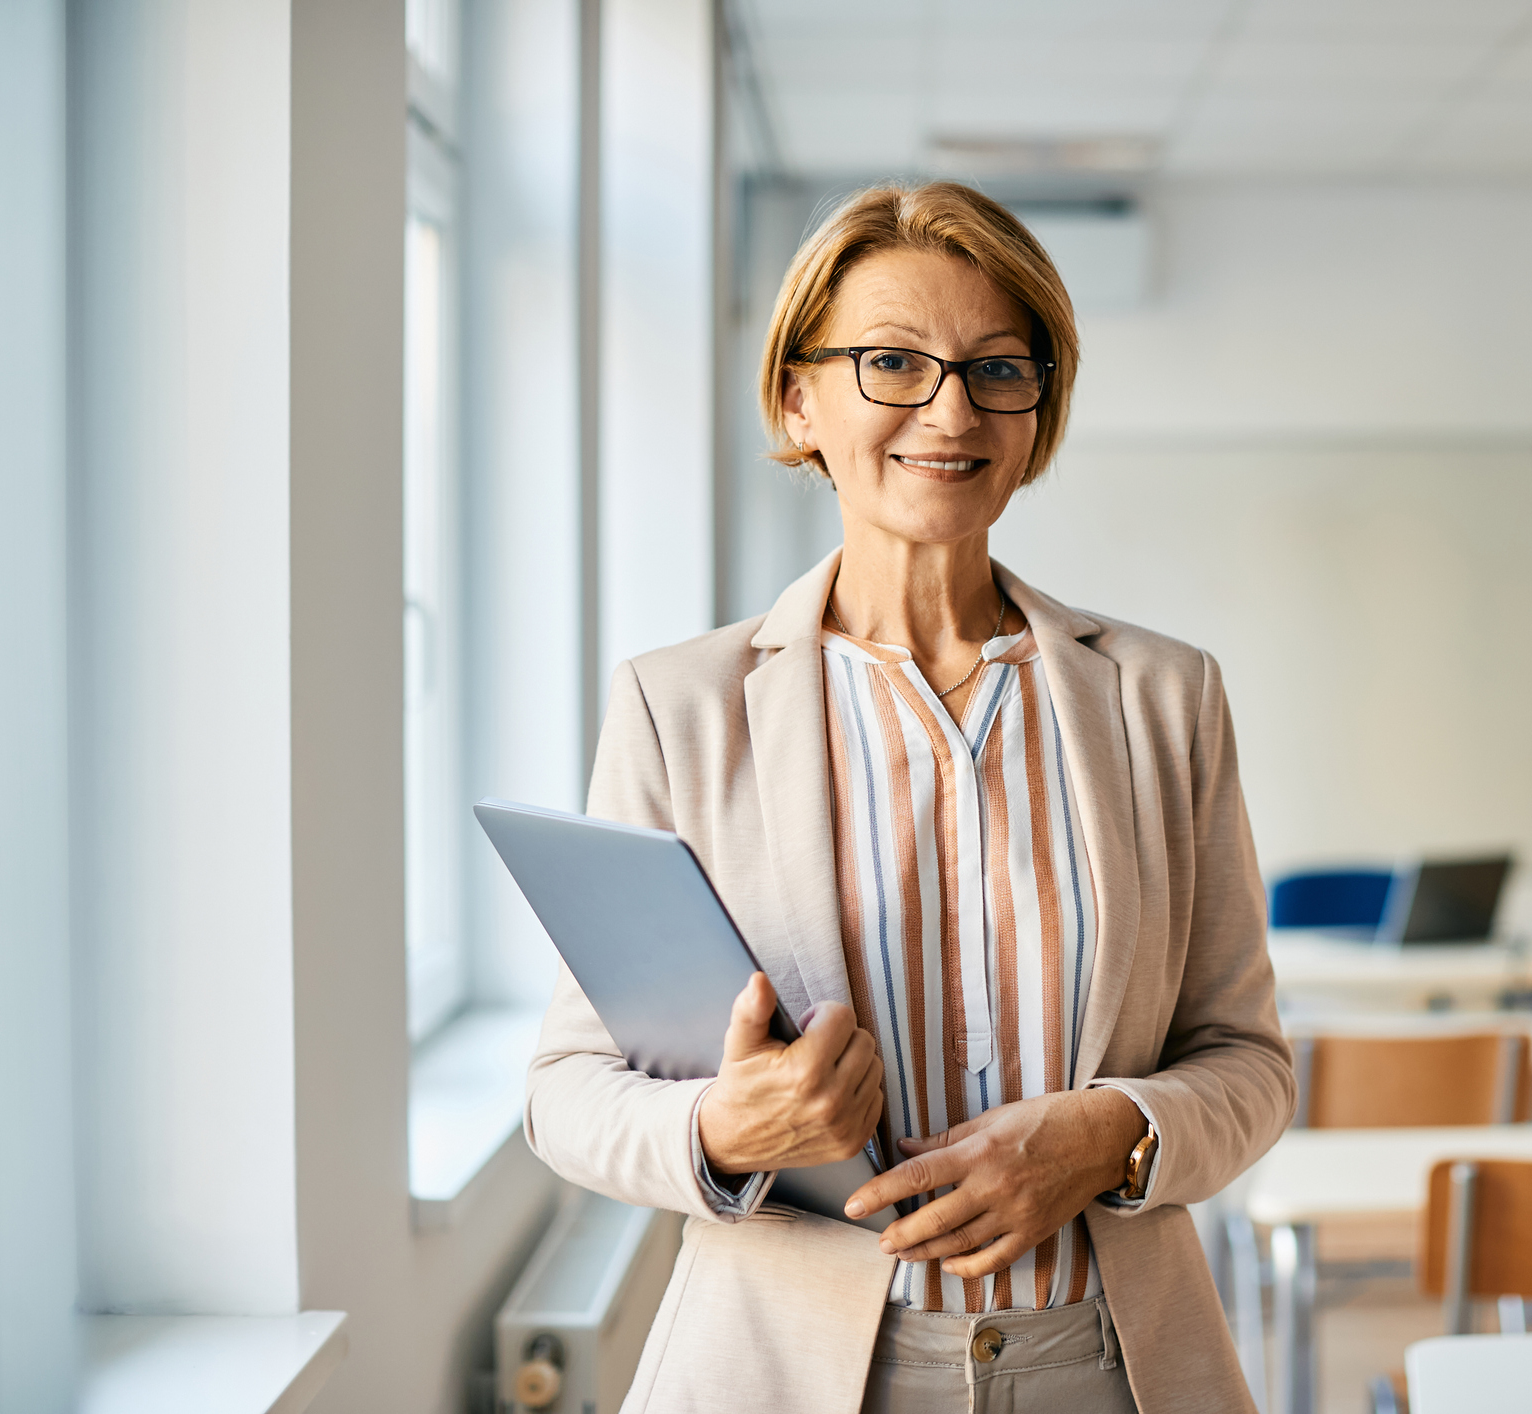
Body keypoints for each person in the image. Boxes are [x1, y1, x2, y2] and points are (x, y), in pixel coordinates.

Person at [524, 181, 1293, 1414]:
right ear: (798, 397)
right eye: (892, 361)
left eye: (999, 368)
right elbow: (567, 1091)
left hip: (1110, 1365)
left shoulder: (1164, 698)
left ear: (1038, 410)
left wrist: (1113, 1132)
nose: (951, 409)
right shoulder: (682, 706)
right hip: (788, 1367)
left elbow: (1248, 1061)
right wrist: (727, 1126)